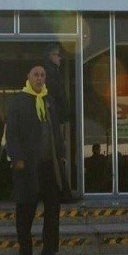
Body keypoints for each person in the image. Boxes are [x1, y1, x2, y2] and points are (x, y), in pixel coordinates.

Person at [5, 65, 65, 255]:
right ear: (28, 77)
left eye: (42, 75)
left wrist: (61, 156)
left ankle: (49, 251)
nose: (40, 78)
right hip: (27, 166)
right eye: (36, 75)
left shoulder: (49, 101)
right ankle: (25, 253)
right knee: (26, 210)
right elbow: (12, 133)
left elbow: (56, 131)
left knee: (53, 208)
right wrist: (18, 159)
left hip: (48, 165)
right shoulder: (20, 101)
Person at [45, 44, 79, 203]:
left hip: (56, 118)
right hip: (54, 119)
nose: (60, 58)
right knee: (57, 155)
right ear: (51, 56)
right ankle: (62, 192)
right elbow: (58, 96)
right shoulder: (51, 73)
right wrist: (62, 116)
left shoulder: (53, 72)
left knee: (57, 156)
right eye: (57, 55)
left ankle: (62, 191)